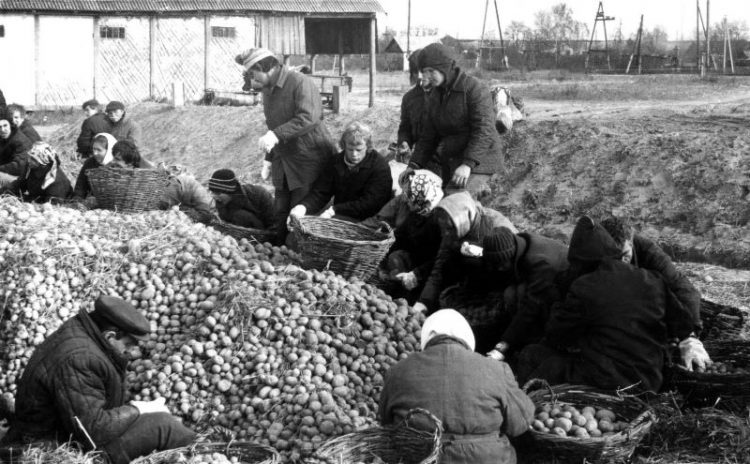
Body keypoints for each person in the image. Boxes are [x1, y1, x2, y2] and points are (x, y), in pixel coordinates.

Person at [2, 295, 196, 464]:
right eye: (129, 345)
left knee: (155, 420)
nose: (131, 352)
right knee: (163, 426)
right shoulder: (79, 359)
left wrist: (136, 412)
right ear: (111, 336)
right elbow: (93, 433)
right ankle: (210, 453)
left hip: (61, 432)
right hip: (49, 447)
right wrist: (139, 408)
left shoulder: (81, 330)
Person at [517, 216, 701, 393]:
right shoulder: (652, 278)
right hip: (651, 378)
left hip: (607, 381)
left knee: (532, 354)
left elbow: (557, 335)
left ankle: (531, 405)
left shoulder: (584, 286)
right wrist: (688, 337)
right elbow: (682, 322)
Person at [379, 309, 534, 464]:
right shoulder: (496, 369)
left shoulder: (398, 371)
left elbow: (386, 421)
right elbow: (520, 423)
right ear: (467, 337)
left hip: (421, 458)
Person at [236, 48, 336, 244]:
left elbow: (308, 117)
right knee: (280, 213)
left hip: (308, 161)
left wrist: (276, 135)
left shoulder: (299, 82)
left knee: (301, 213)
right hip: (283, 161)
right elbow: (273, 127)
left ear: (262, 67)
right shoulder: (268, 91)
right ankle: (276, 254)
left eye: (252, 74)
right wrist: (268, 159)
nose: (252, 80)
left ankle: (301, 259)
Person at [600, 216, 709, 372]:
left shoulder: (648, 251)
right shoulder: (594, 250)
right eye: (614, 257)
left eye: (625, 255)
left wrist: (690, 337)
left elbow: (683, 289)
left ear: (631, 243)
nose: (621, 263)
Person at [404, 171, 517, 314]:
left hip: (496, 284)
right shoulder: (452, 226)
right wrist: (422, 301)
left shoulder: (495, 229)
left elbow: (508, 266)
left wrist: (480, 255)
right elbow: (440, 265)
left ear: (460, 222)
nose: (446, 232)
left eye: (448, 228)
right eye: (443, 227)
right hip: (471, 278)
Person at [407, 43, 502, 200]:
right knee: (427, 200)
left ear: (445, 68)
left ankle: (480, 199)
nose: (427, 76)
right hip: (453, 161)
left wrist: (468, 164)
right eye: (424, 71)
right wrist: (413, 165)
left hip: (480, 162)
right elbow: (428, 136)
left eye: (431, 71)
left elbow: (484, 130)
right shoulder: (435, 95)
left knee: (452, 203)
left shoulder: (473, 89)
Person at [482, 227, 569, 359]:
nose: (499, 268)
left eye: (501, 263)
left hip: (565, 293)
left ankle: (533, 342)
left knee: (519, 295)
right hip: (544, 285)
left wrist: (505, 343)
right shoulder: (518, 244)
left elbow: (530, 306)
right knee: (511, 293)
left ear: (510, 255)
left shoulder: (540, 263)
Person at [362, 170, 442, 303]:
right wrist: (380, 261)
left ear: (421, 199)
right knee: (394, 259)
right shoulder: (417, 213)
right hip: (413, 260)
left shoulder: (439, 220)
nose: (406, 201)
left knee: (407, 300)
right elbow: (399, 237)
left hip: (429, 271)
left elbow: (440, 259)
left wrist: (416, 274)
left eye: (409, 199)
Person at [288, 121, 393, 223]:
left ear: (368, 146)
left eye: (359, 150)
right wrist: (303, 207)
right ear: (344, 145)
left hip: (371, 219)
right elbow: (321, 192)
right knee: (294, 236)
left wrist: (334, 210)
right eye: (350, 149)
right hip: (341, 214)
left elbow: (371, 204)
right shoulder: (336, 162)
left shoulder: (379, 166)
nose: (354, 154)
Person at [1, 141, 72, 203]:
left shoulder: (55, 181)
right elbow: (20, 183)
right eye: (30, 157)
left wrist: (25, 201)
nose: (29, 161)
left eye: (33, 159)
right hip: (34, 198)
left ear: (43, 162)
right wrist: (4, 191)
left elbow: (52, 205)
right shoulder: (31, 167)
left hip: (49, 204)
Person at [208, 168, 275, 229]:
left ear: (229, 192)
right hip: (246, 236)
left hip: (267, 232)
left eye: (218, 193)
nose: (214, 196)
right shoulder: (221, 203)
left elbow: (274, 221)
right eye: (212, 192)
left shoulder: (259, 194)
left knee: (240, 215)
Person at [396, 49, 430, 165]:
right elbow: (405, 127)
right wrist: (404, 141)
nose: (421, 77)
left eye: (424, 72)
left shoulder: (446, 96)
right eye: (416, 72)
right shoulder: (409, 98)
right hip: (417, 158)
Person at [76, 101, 141, 158]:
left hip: (128, 158)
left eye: (115, 112)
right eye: (110, 113)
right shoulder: (111, 124)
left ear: (122, 111)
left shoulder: (132, 125)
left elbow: (133, 145)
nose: (113, 115)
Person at [73, 133, 118, 200]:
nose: (95, 153)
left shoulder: (116, 166)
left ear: (109, 150)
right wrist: (77, 199)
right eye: (94, 149)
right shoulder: (90, 163)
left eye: (99, 150)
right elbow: (81, 185)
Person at [0, 110, 32, 187]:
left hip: (21, 180)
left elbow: (19, 167)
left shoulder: (19, 140)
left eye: (5, 126)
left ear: (11, 125)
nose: (2, 130)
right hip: (8, 174)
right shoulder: (3, 138)